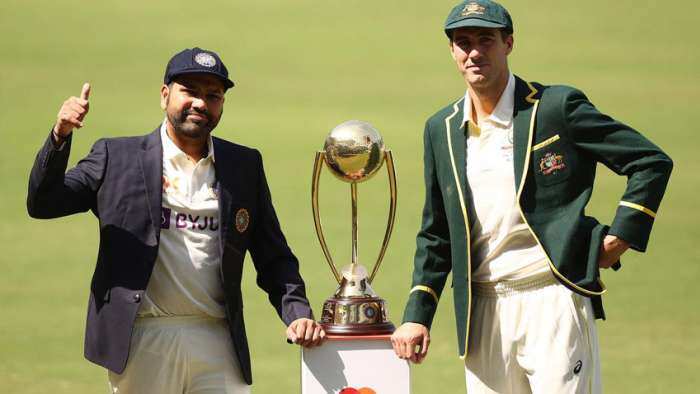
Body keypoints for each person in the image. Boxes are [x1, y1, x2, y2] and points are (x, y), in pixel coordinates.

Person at [389, 1, 672, 392]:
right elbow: (437, 231)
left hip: (552, 299)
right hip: (481, 310)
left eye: (485, 40)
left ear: (508, 43)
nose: (473, 52)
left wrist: (620, 237)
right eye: (462, 42)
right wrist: (417, 314)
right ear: (452, 50)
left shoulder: (557, 107)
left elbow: (650, 162)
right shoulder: (441, 128)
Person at [27, 47, 325, 393]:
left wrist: (298, 312)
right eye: (191, 91)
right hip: (145, 337)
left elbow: (273, 255)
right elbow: (43, 203)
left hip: (218, 339)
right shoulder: (116, 157)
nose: (201, 102)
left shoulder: (243, 165)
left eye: (213, 95)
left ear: (222, 105)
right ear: (165, 94)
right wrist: (60, 135)